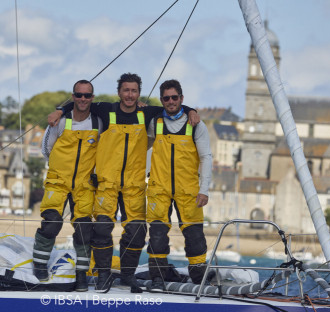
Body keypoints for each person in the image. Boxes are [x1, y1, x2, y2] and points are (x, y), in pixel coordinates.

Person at [48, 73, 200, 293]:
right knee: (102, 229)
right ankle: (103, 276)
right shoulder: (106, 110)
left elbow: (173, 106)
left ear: (139, 94)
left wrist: (191, 110)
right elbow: (81, 101)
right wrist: (61, 110)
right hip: (106, 184)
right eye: (126, 90)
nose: (130, 95)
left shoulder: (148, 113)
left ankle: (128, 275)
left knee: (137, 232)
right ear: (119, 92)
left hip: (134, 186)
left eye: (134, 91)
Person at [32, 80, 102, 292]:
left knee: (83, 230)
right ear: (73, 97)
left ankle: (81, 273)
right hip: (58, 181)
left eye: (87, 95)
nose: (83, 99)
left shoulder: (98, 122)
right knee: (52, 221)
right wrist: (59, 167)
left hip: (84, 184)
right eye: (78, 95)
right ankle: (40, 264)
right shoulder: (60, 121)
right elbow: (46, 148)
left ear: (92, 97)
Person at [145, 79, 213, 292]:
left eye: (175, 97)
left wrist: (204, 190)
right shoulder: (154, 122)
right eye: (167, 98)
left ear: (181, 99)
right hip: (159, 189)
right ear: (162, 100)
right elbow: (142, 148)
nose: (171, 101)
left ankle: (198, 275)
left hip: (189, 190)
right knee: (156, 235)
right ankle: (158, 275)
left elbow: (207, 158)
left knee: (194, 235)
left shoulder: (196, 124)